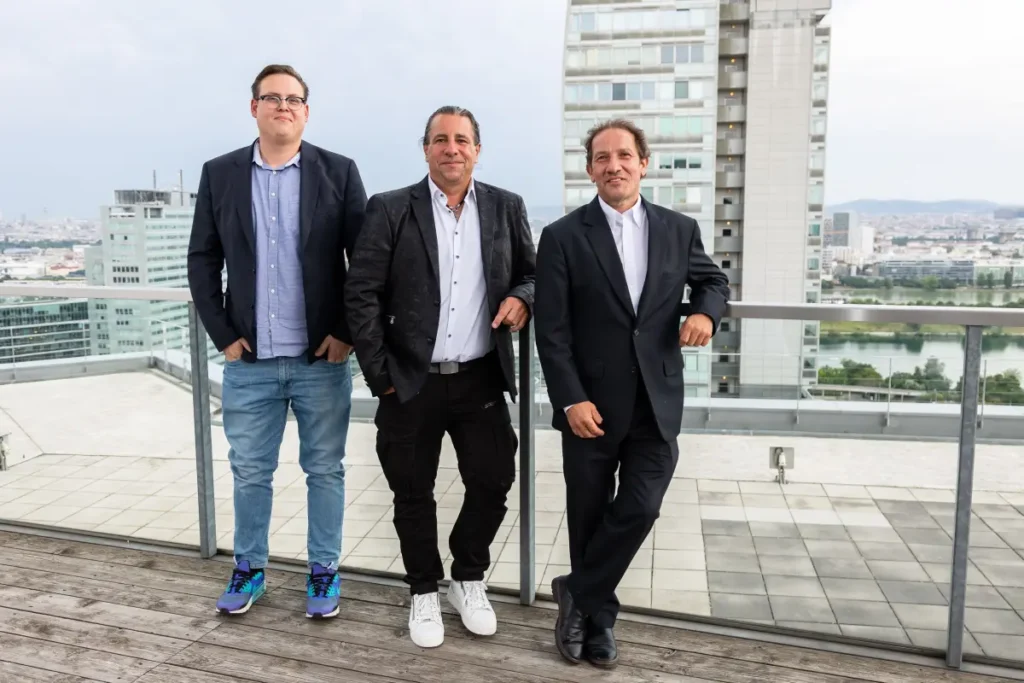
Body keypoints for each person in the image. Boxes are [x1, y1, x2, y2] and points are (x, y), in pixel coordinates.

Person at [534, 118, 729, 667]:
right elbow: (552, 330)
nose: (613, 165)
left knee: (641, 507)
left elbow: (712, 281)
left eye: (624, 155)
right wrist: (570, 399)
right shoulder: (562, 236)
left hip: (656, 404)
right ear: (589, 169)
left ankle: (577, 593)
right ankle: (598, 622)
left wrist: (706, 315)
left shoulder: (678, 228)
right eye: (602, 158)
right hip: (589, 407)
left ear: (643, 163)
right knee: (589, 517)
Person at [344, 106, 535, 648]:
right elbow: (361, 292)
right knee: (412, 491)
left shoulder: (506, 206)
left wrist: (524, 296)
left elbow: (532, 272)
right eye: (441, 139)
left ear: (477, 149)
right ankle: (424, 589)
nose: (452, 148)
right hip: (408, 381)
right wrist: (380, 376)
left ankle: (467, 577)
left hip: (480, 378)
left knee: (493, 479)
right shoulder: (389, 208)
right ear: (425, 148)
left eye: (462, 140)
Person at [187, 64, 367, 620]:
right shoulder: (219, 174)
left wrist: (346, 333)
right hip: (250, 360)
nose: (283, 106)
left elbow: (364, 262)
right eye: (272, 98)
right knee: (249, 472)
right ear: (254, 108)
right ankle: (250, 568)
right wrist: (223, 335)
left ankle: (323, 571)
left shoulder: (339, 172)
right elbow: (202, 259)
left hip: (321, 359)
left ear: (306, 111)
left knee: (325, 470)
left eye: (293, 99)